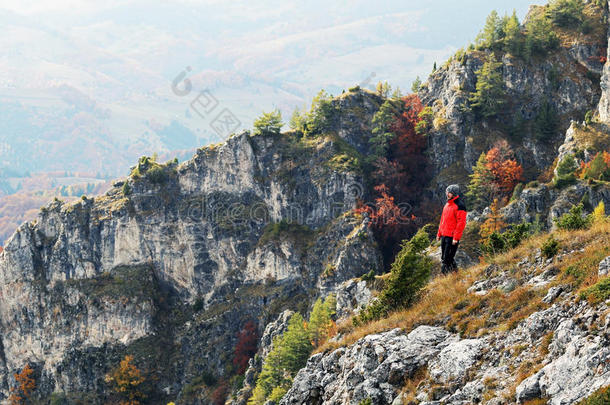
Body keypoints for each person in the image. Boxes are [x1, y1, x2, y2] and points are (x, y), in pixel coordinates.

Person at [436, 184, 467, 274]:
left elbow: (461, 223)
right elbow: (442, 220)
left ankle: (444, 278)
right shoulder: (447, 205)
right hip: (444, 236)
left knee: (446, 260)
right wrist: (439, 234)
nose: (447, 194)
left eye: (449, 192)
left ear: (453, 193)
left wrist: (456, 238)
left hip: (452, 237)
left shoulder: (460, 206)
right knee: (445, 257)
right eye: (447, 192)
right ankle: (456, 273)